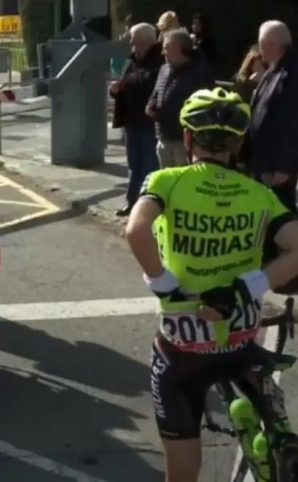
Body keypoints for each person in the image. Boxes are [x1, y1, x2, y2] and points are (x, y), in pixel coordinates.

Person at [126, 87, 298, 482]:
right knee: (269, 414)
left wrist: (165, 286)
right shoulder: (260, 194)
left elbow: (136, 230)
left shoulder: (166, 180)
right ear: (238, 143)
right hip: (238, 339)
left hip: (182, 351)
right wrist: (247, 287)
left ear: (187, 138)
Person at [243, 20, 298, 215]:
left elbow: (293, 123)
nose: (259, 50)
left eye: (261, 44)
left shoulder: (291, 74)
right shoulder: (275, 70)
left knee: (281, 213)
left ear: (271, 44)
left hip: (277, 166)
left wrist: (285, 165)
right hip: (264, 160)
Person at [109, 22, 163, 217]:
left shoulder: (159, 60)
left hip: (148, 122)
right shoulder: (132, 60)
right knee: (133, 164)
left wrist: (125, 85)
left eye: (134, 39)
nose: (131, 42)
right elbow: (125, 83)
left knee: (149, 165)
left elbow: (147, 83)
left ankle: (147, 207)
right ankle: (132, 203)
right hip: (131, 120)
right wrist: (115, 90)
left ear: (146, 40)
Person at [147, 29, 213, 168]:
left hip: (183, 141)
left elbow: (203, 107)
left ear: (179, 49)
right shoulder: (164, 69)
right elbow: (156, 93)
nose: (162, 53)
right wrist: (151, 105)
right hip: (163, 137)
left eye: (166, 48)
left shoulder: (199, 73)